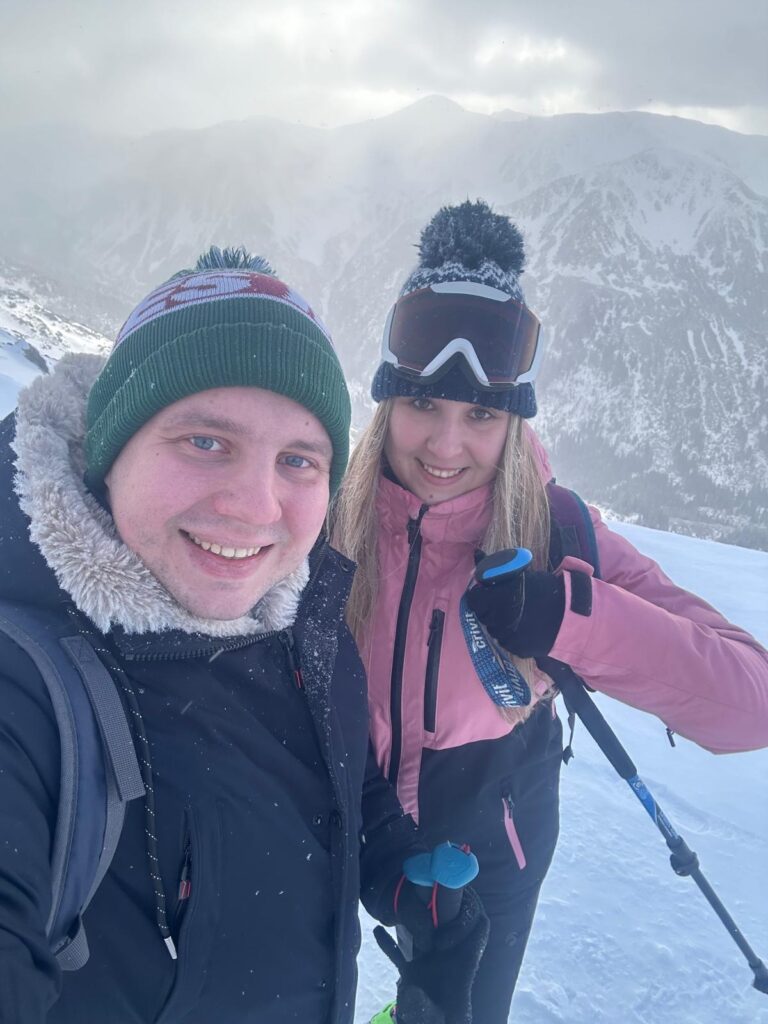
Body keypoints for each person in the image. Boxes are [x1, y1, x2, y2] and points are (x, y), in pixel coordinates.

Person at [0, 246, 486, 1024]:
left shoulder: (301, 613)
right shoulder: (27, 685)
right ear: (110, 447)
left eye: (298, 459)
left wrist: (396, 868)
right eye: (205, 441)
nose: (256, 507)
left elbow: (343, 777)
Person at [331, 201, 768, 1023]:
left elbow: (751, 699)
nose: (446, 446)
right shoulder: (326, 518)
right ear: (387, 402)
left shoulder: (553, 533)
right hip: (348, 811)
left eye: (481, 415)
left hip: (491, 842)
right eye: (423, 404)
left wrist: (570, 617)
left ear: (513, 418)